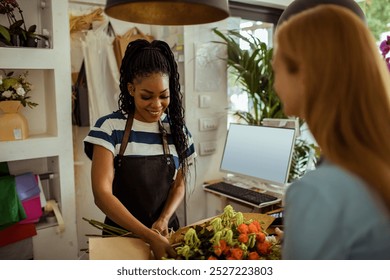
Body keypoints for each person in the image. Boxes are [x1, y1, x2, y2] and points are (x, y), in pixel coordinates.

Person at [272, 4, 390, 259]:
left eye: (276, 68)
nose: (274, 83)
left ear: (304, 75)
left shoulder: (317, 194)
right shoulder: (375, 164)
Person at [84, 39, 196, 259]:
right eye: (147, 96)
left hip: (166, 234)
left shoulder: (178, 131)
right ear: (131, 89)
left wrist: (163, 220)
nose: (156, 105)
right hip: (121, 240)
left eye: (164, 96)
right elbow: (102, 194)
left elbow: (180, 183)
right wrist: (148, 235)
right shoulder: (109, 128)